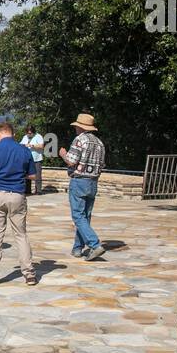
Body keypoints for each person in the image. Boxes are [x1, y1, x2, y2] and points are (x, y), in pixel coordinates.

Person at [0, 122, 37, 286]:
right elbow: (32, 176)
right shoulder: (24, 150)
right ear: (13, 134)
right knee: (21, 235)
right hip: (17, 194)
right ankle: (29, 274)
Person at [59, 112, 106, 261]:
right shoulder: (99, 143)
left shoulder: (80, 140)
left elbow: (71, 161)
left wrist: (63, 154)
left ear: (79, 127)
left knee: (78, 216)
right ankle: (77, 248)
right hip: (93, 182)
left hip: (80, 181)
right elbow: (102, 165)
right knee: (85, 216)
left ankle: (94, 244)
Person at [21, 125, 46, 195]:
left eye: (30, 133)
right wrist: (24, 145)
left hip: (36, 158)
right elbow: (21, 144)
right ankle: (27, 190)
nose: (29, 134)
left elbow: (42, 146)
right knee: (27, 174)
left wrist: (32, 145)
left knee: (37, 175)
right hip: (27, 158)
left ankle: (38, 190)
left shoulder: (38, 136)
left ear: (33, 132)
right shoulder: (24, 137)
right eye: (28, 133)